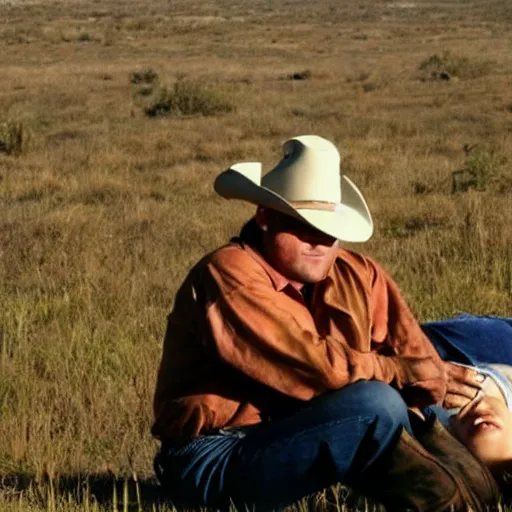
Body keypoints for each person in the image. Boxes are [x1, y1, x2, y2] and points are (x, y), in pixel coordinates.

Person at [151, 135, 493, 511]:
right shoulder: (228, 274)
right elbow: (316, 368)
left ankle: (479, 494)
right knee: (377, 401)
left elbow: (420, 363)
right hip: (212, 455)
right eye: (301, 226)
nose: (319, 241)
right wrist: (402, 375)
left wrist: (426, 385)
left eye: (328, 229)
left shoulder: (359, 274)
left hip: (295, 432)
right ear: (264, 218)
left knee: (396, 403)